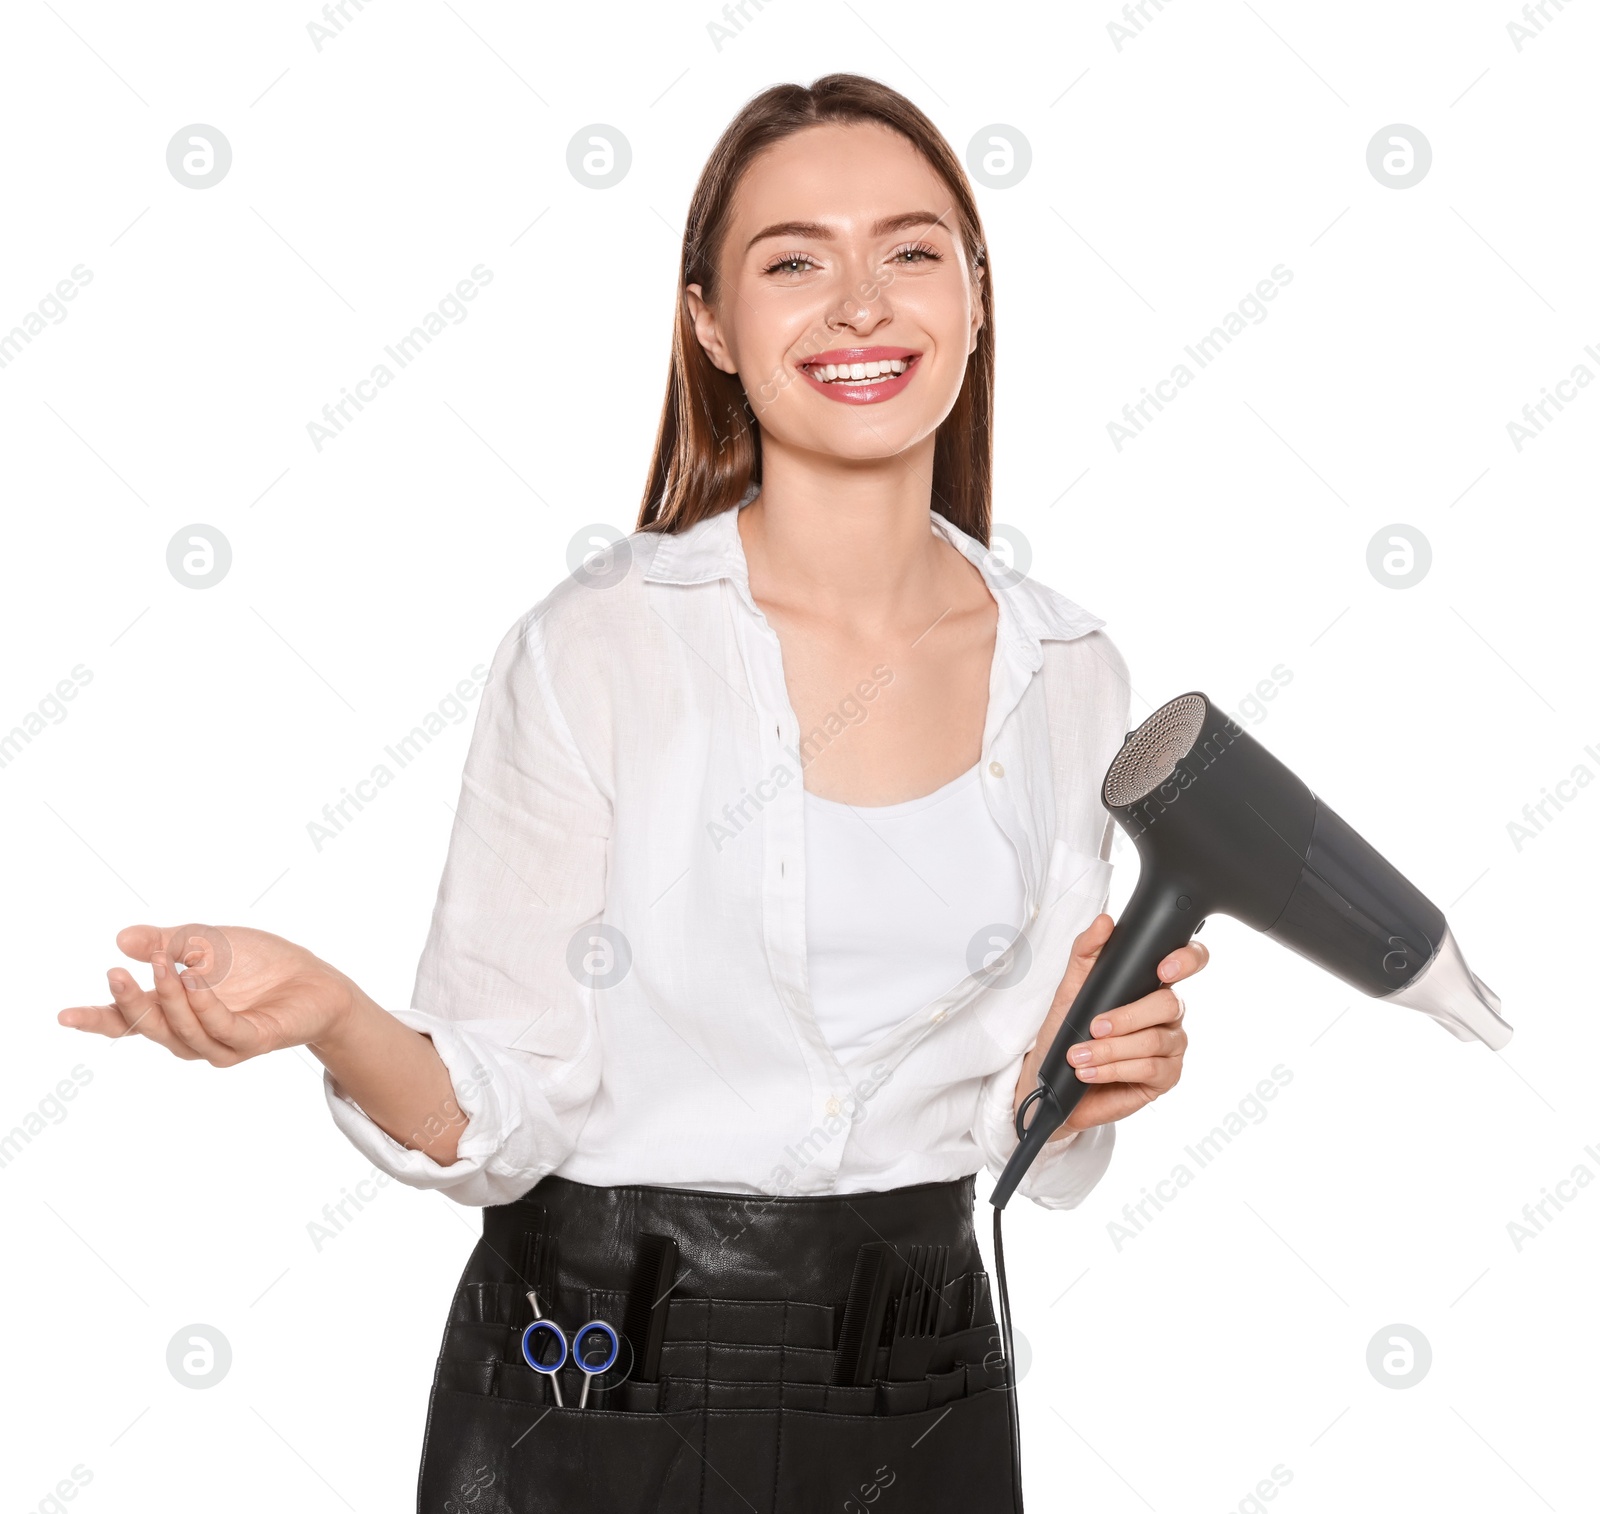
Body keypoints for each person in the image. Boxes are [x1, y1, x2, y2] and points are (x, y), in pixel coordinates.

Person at [59, 73, 1207, 1513]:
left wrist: (1089, 1082)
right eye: (795, 260)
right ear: (713, 324)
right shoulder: (598, 648)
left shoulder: (1071, 671)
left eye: (911, 251)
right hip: (596, 1391)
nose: (862, 302)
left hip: (926, 1387)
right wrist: (337, 1019)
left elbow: (1012, 1125)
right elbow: (505, 1111)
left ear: (976, 297)